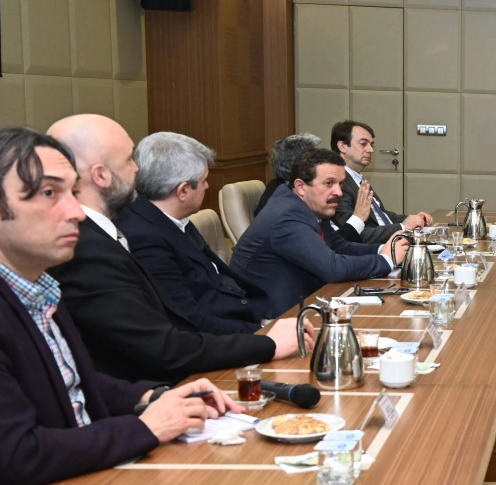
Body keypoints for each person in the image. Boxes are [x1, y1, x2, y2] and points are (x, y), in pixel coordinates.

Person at [0, 127, 237, 485]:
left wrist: (153, 395)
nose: (74, 213)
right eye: (49, 194)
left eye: (73, 193)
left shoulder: (33, 278)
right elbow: (14, 456)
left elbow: (67, 380)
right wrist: (146, 428)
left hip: (87, 478)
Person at [44, 116, 303, 384]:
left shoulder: (104, 233)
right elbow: (163, 345)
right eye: (129, 159)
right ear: (100, 175)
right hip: (156, 388)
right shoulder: (86, 248)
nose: (136, 169)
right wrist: (266, 341)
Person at [116, 131, 269, 334]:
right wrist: (263, 331)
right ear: (183, 191)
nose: (207, 186)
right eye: (204, 180)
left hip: (245, 317)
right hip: (223, 338)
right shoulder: (144, 238)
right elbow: (190, 321)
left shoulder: (170, 217)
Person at [233, 147, 408, 318]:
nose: (338, 192)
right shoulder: (287, 217)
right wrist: (386, 260)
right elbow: (333, 268)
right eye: (329, 183)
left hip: (307, 303)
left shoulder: (311, 204)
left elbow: (341, 247)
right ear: (301, 187)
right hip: (271, 319)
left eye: (340, 184)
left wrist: (383, 249)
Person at [328, 120, 431, 243]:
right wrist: (402, 227)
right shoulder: (339, 185)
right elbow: (353, 233)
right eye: (363, 144)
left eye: (371, 144)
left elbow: (382, 215)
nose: (370, 149)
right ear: (342, 146)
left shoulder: (357, 178)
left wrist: (412, 219)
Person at [253, 133, 320, 217]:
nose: (320, 164)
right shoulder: (285, 198)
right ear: (300, 164)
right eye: (316, 161)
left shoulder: (283, 187)